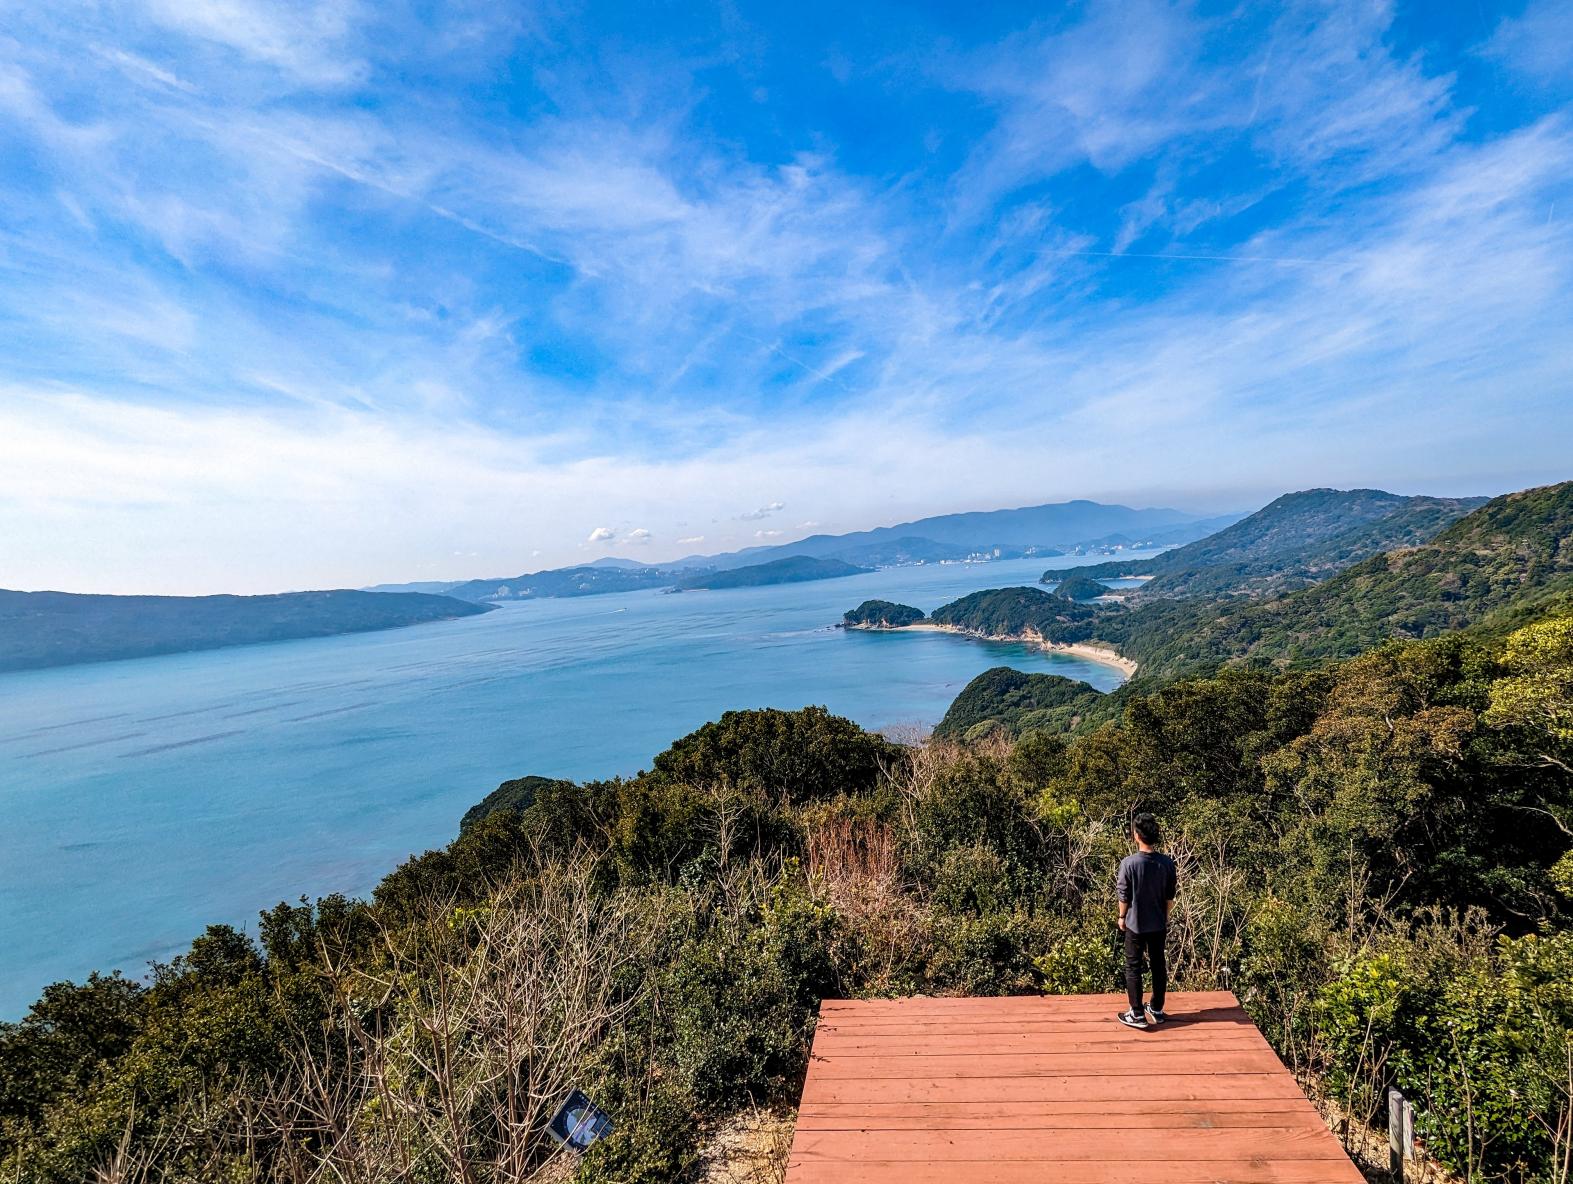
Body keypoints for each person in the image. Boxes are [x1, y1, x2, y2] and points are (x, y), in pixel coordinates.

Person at [1115, 811, 1177, 1029]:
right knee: (1158, 964)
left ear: (1136, 836)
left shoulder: (1129, 864)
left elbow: (1124, 896)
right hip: (1158, 923)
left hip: (1135, 923)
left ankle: (1137, 1013)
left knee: (1133, 966)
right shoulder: (1167, 863)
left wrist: (1122, 917)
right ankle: (1157, 1008)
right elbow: (1170, 897)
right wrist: (1165, 917)